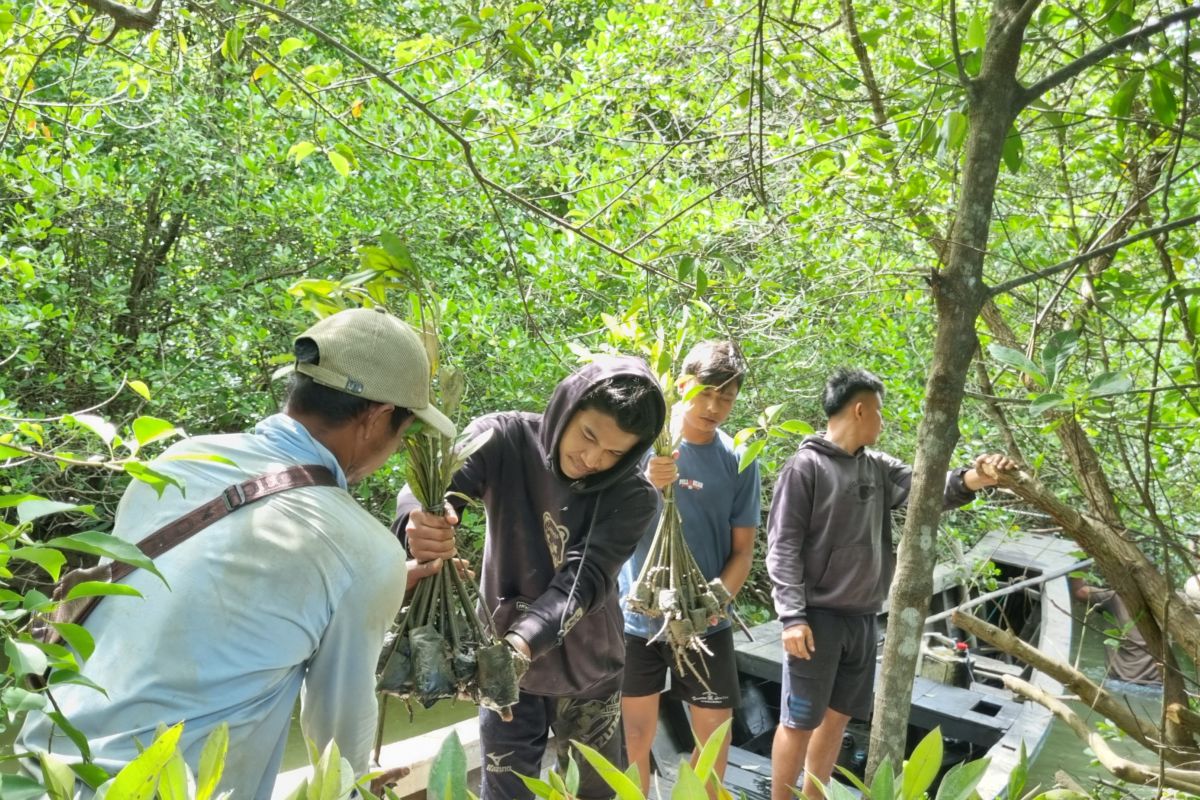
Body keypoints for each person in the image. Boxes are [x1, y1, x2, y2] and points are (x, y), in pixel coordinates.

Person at [18, 307, 455, 798]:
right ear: (376, 420)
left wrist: (371, 588)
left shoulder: (179, 459)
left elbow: (198, 607)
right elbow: (337, 749)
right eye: (402, 431)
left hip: (36, 771)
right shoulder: (363, 549)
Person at [397, 356, 666, 800]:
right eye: (589, 435)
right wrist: (419, 520)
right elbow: (436, 485)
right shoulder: (503, 438)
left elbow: (584, 579)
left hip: (588, 672)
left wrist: (520, 645)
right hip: (505, 677)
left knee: (595, 794)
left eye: (616, 453)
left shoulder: (633, 495)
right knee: (505, 792)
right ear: (567, 408)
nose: (594, 459)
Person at [765, 367, 1015, 800]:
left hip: (862, 618)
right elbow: (781, 546)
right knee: (799, 719)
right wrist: (791, 617)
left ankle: (814, 796)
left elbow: (929, 488)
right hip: (816, 619)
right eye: (878, 412)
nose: (882, 421)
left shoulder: (877, 467)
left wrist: (978, 477)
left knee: (839, 718)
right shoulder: (804, 467)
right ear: (859, 410)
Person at [618, 341, 760, 793]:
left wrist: (715, 602)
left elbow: (743, 551)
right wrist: (643, 484)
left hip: (706, 618)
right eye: (705, 393)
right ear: (681, 386)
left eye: (726, 397)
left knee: (716, 735)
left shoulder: (737, 458)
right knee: (633, 736)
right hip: (636, 617)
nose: (714, 406)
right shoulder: (643, 445)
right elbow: (603, 519)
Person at [1070, 578, 1163, 695]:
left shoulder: (1115, 598)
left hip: (1119, 684)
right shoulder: (1167, 604)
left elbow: (1079, 591)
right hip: (1158, 689)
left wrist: (1075, 564)